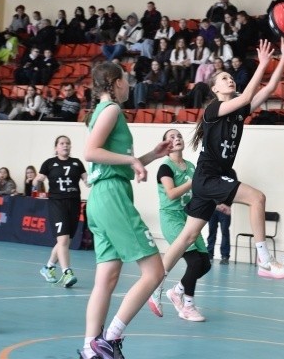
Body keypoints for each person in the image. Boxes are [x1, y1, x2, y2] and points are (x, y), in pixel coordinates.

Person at [149, 37, 284, 321]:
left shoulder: (239, 111)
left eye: (231, 77)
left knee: (187, 236)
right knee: (257, 198)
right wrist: (263, 63)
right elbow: (247, 95)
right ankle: (265, 260)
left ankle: (159, 287)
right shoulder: (213, 109)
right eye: (224, 78)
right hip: (207, 177)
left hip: (211, 179)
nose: (230, 80)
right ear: (215, 88)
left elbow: (268, 89)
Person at [78, 62, 171, 359]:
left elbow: (111, 161)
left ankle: (90, 348)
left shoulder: (101, 111)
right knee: (155, 271)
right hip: (112, 197)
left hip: (100, 198)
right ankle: (109, 338)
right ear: (116, 82)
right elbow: (91, 152)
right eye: (127, 80)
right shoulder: (111, 110)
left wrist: (150, 155)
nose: (129, 85)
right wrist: (132, 161)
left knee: (106, 278)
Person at [154, 129, 212, 322]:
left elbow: (198, 191)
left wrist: (217, 201)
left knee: (205, 264)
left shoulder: (190, 166)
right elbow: (171, 193)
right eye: (171, 137)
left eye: (178, 136)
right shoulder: (165, 167)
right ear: (166, 144)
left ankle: (176, 291)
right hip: (172, 218)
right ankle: (188, 306)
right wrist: (193, 183)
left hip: (189, 217)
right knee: (195, 262)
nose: (177, 138)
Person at [35, 136, 88, 288]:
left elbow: (87, 181)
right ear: (56, 147)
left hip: (74, 203)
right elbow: (38, 179)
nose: (65, 146)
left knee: (65, 242)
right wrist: (36, 182)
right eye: (62, 143)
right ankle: (67, 272)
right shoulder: (49, 163)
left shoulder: (77, 163)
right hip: (57, 203)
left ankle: (48, 268)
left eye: (68, 143)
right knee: (63, 240)